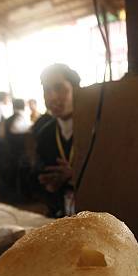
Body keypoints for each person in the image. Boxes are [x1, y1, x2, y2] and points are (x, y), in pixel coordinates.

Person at [33, 63, 78, 218]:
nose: (52, 97)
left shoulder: (95, 129)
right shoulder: (45, 133)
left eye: (59, 88)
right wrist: (46, 183)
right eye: (46, 90)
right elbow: (38, 173)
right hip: (60, 214)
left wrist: (75, 176)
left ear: (76, 89)